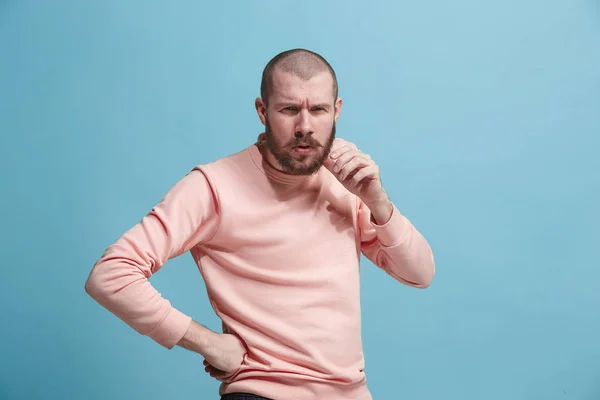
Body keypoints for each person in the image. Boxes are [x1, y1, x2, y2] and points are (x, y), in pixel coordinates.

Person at [84, 48, 435, 400]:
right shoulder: (213, 185)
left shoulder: (347, 180)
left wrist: (378, 202)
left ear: (336, 111)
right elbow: (111, 274)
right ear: (262, 111)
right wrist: (206, 342)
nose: (305, 127)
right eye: (288, 109)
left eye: (318, 110)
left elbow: (420, 274)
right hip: (262, 392)